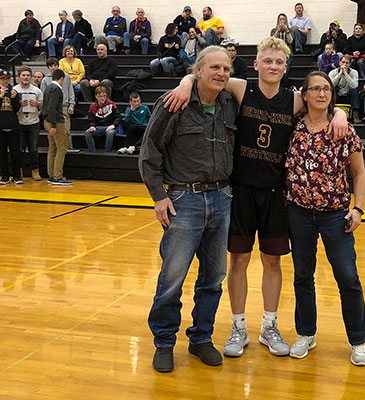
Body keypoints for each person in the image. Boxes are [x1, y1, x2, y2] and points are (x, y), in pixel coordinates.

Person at [163, 36, 349, 360]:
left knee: (272, 261)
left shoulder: (293, 100)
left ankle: (269, 326)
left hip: (277, 193)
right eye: (268, 61)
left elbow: (324, 104)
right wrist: (183, 82)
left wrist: (341, 115)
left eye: (279, 62)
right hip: (240, 191)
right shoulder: (240, 88)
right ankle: (238, 327)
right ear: (257, 63)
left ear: (286, 67)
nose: (273, 66)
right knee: (238, 260)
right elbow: (205, 74)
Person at [139, 46, 238, 373]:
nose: (221, 73)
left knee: (213, 277)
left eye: (226, 68)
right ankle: (164, 342)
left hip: (222, 199)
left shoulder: (228, 103)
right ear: (199, 69)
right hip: (184, 201)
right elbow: (149, 152)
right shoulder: (174, 102)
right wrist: (159, 196)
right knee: (173, 278)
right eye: (214, 67)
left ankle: (201, 338)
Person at [285, 70, 365, 366]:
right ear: (304, 94)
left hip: (336, 214)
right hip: (298, 212)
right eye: (316, 89)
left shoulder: (344, 130)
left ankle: (358, 340)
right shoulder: (292, 125)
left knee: (347, 276)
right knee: (302, 275)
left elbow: (359, 173)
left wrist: (357, 208)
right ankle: (306, 333)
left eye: (327, 90)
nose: (322, 94)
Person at [13, 66, 43, 181]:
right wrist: (18, 104)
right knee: (19, 149)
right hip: (19, 123)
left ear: (31, 77)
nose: (26, 77)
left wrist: (38, 105)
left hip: (33, 123)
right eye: (23, 75)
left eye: (28, 75)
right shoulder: (15, 90)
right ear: (19, 76)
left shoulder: (37, 91)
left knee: (34, 149)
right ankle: (18, 171)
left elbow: (43, 106)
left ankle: (35, 171)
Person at [43, 69, 72, 185]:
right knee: (61, 148)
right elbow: (51, 107)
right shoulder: (56, 89)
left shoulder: (48, 88)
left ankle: (51, 175)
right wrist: (55, 124)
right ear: (62, 79)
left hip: (47, 121)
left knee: (52, 148)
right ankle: (58, 176)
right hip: (54, 122)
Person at [41, 58, 77, 153]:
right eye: (51, 66)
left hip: (64, 107)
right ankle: (59, 151)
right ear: (48, 68)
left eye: (55, 65)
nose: (53, 67)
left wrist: (71, 105)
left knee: (67, 131)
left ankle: (69, 149)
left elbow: (71, 91)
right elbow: (44, 97)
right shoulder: (45, 80)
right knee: (54, 136)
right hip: (52, 111)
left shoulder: (66, 77)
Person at [0, 70, 22, 185]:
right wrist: (1, 96)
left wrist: (14, 99)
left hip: (13, 127)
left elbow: (17, 109)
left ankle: (17, 176)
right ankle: (4, 177)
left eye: (7, 78)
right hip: (1, 127)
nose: (5, 81)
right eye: (2, 79)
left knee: (15, 153)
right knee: (2, 153)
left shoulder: (14, 91)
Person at [85, 86, 121, 152]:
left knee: (110, 133)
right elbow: (90, 119)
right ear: (96, 96)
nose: (102, 98)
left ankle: (107, 152)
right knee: (88, 132)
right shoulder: (92, 107)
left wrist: (113, 125)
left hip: (110, 126)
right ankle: (92, 152)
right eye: (100, 96)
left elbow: (118, 116)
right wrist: (92, 126)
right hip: (99, 127)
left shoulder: (111, 104)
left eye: (104, 96)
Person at [329, 54, 361, 123]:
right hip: (337, 96)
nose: (345, 64)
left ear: (349, 64)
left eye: (347, 63)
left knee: (355, 91)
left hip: (348, 96)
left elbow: (354, 85)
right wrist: (340, 74)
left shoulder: (354, 72)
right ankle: (329, 114)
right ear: (339, 63)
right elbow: (330, 85)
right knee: (330, 91)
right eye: (343, 62)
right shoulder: (333, 72)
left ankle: (355, 116)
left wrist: (346, 74)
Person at [271, 13, 294, 87]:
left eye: (283, 19)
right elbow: (271, 41)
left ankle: (284, 88)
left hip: (287, 54)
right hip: (276, 54)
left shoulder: (290, 30)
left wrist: (287, 30)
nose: (282, 20)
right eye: (280, 19)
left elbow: (291, 41)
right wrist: (278, 31)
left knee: (285, 73)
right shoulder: (274, 30)